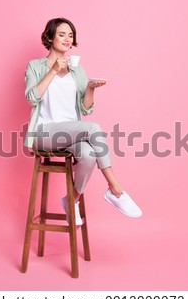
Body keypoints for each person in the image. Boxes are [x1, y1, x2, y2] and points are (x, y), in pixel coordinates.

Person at [24, 17, 142, 225]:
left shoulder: (77, 70)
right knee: (93, 128)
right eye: (62, 34)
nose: (68, 39)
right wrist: (52, 70)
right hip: (44, 133)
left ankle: (72, 200)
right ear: (50, 37)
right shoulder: (35, 66)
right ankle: (115, 189)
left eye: (71, 35)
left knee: (88, 154)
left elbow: (86, 109)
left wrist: (90, 88)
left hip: (72, 132)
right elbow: (32, 97)